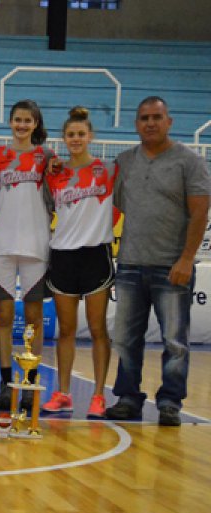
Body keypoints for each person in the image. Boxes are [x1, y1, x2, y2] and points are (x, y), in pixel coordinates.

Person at [105, 96, 211, 427]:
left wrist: (186, 259)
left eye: (156, 117)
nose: (150, 123)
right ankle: (127, 397)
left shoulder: (188, 161)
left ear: (169, 121)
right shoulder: (125, 161)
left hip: (172, 267)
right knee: (126, 338)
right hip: (131, 264)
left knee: (175, 340)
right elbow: (114, 200)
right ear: (136, 124)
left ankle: (169, 402)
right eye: (144, 118)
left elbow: (200, 212)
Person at [41, 107, 117, 419]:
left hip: (95, 255)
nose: (75, 139)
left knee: (98, 328)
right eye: (70, 135)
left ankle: (99, 396)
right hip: (63, 256)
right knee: (67, 330)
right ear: (64, 138)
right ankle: (63, 393)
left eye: (80, 134)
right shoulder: (55, 173)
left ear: (91, 137)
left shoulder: (109, 169)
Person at [0, 99, 54, 411]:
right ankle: (4, 380)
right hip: (1, 244)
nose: (22, 124)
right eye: (18, 119)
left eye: (28, 120)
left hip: (36, 245)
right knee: (2, 316)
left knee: (33, 318)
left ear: (36, 124)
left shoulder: (47, 156)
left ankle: (29, 379)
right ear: (10, 122)